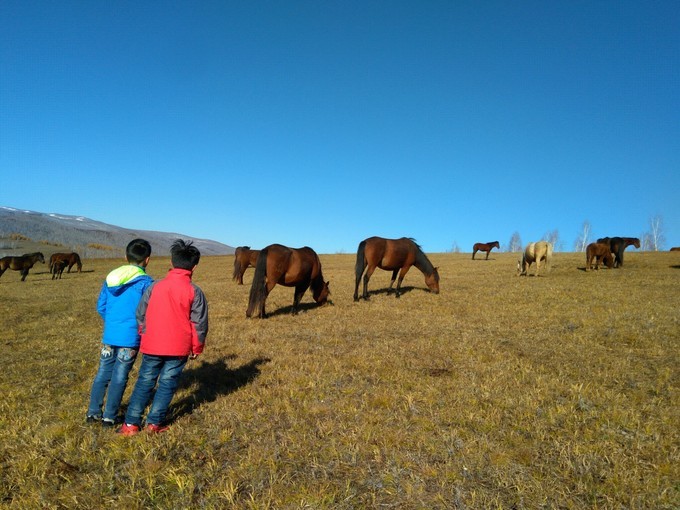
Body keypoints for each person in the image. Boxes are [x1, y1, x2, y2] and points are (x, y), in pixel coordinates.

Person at [118, 239, 209, 435]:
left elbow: (140, 313)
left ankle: (131, 424)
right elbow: (199, 324)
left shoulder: (154, 287)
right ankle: (154, 424)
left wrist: (144, 332)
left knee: (144, 382)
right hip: (178, 349)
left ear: (171, 262)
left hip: (152, 345)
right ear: (194, 266)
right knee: (167, 384)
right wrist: (197, 347)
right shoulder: (195, 292)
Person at [86, 238, 153, 427]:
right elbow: (149, 310)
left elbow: (101, 306)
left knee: (103, 373)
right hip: (131, 338)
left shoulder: (111, 278)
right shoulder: (146, 283)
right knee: (120, 376)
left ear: (126, 256)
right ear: (147, 260)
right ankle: (109, 416)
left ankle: (93, 412)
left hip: (110, 334)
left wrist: (113, 322)